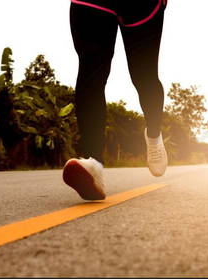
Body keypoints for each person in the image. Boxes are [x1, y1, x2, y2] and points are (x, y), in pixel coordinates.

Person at [63, 0, 168, 200]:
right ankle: (93, 164)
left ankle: (154, 135)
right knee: (91, 67)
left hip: (141, 6)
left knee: (144, 77)